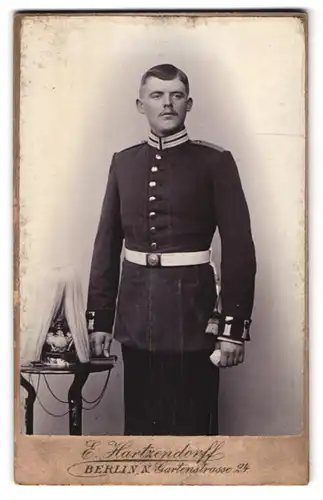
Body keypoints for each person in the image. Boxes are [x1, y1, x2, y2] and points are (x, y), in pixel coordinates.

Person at [86, 64, 256, 436]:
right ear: (140, 104)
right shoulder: (124, 162)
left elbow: (240, 248)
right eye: (157, 95)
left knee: (192, 435)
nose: (167, 103)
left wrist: (232, 329)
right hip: (136, 319)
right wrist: (99, 318)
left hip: (193, 318)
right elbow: (107, 243)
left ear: (189, 104)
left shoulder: (215, 162)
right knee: (140, 434)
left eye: (176, 95)